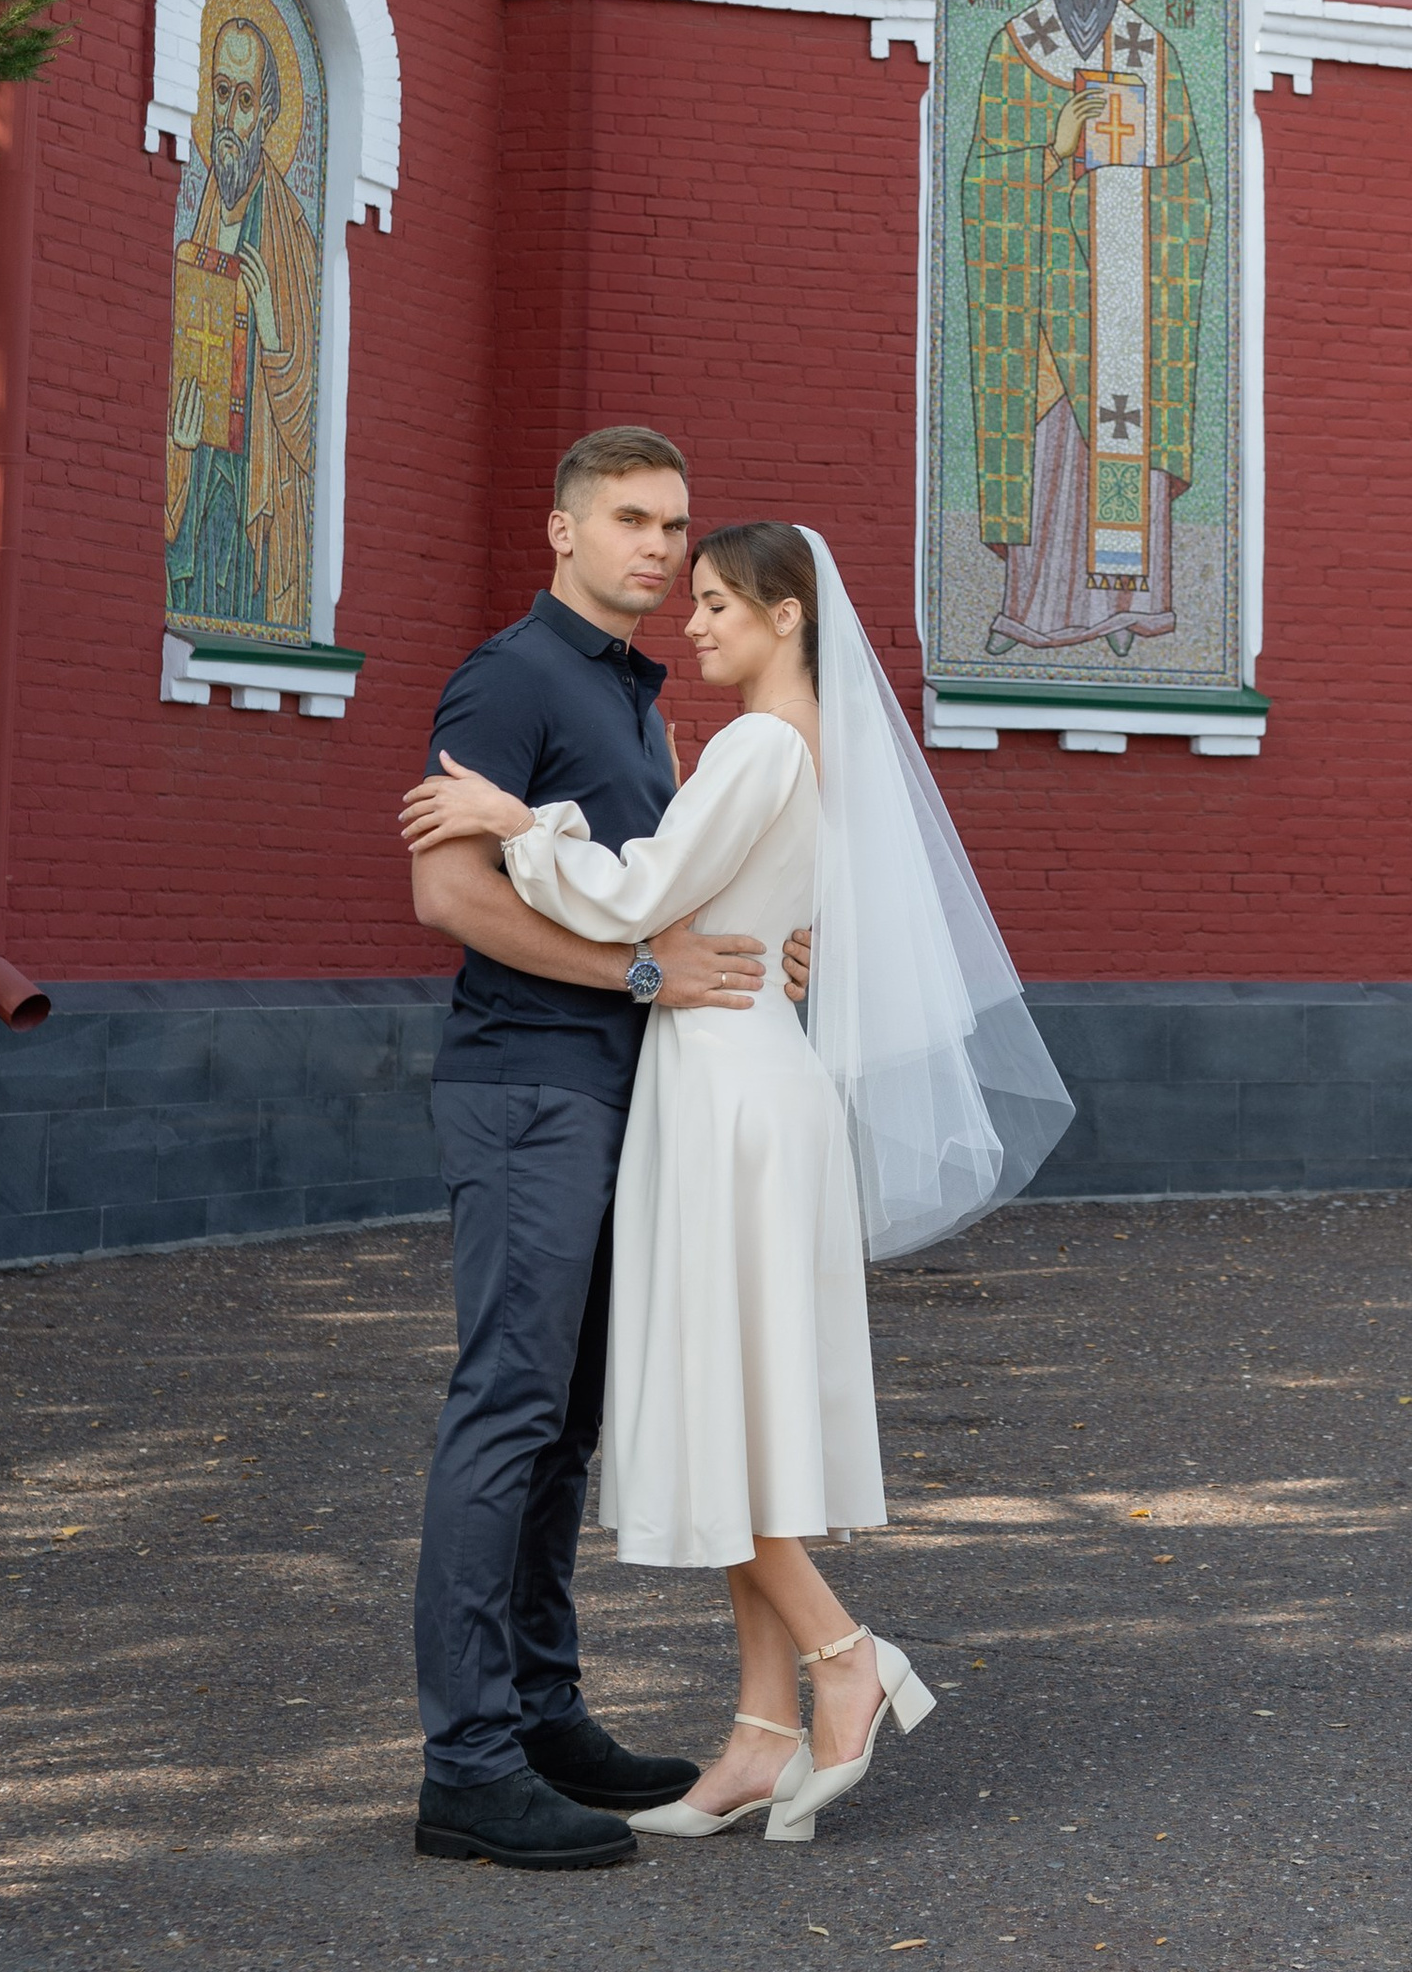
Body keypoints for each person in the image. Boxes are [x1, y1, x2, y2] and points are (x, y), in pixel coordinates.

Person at [402, 518, 1074, 1847]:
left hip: (724, 1090)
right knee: (746, 1413)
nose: (690, 621)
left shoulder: (762, 744)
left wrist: (512, 816)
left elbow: (636, 889)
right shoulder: (807, 751)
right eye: (686, 594)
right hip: (751, 1073)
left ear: (785, 618)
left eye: (715, 602)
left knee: (714, 1409)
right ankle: (763, 1736)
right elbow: (739, 913)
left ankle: (844, 1657)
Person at [401, 429, 812, 1875]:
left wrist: (754, 950)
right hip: (529, 1090)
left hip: (619, 1097)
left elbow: (654, 898)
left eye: (678, 526)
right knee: (509, 1409)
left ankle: (542, 1716)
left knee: (567, 1426)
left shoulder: (640, 702)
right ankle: (466, 1765)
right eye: (631, 520)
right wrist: (644, 977)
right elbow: (448, 890)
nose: (662, 547)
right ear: (560, 529)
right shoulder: (512, 677)